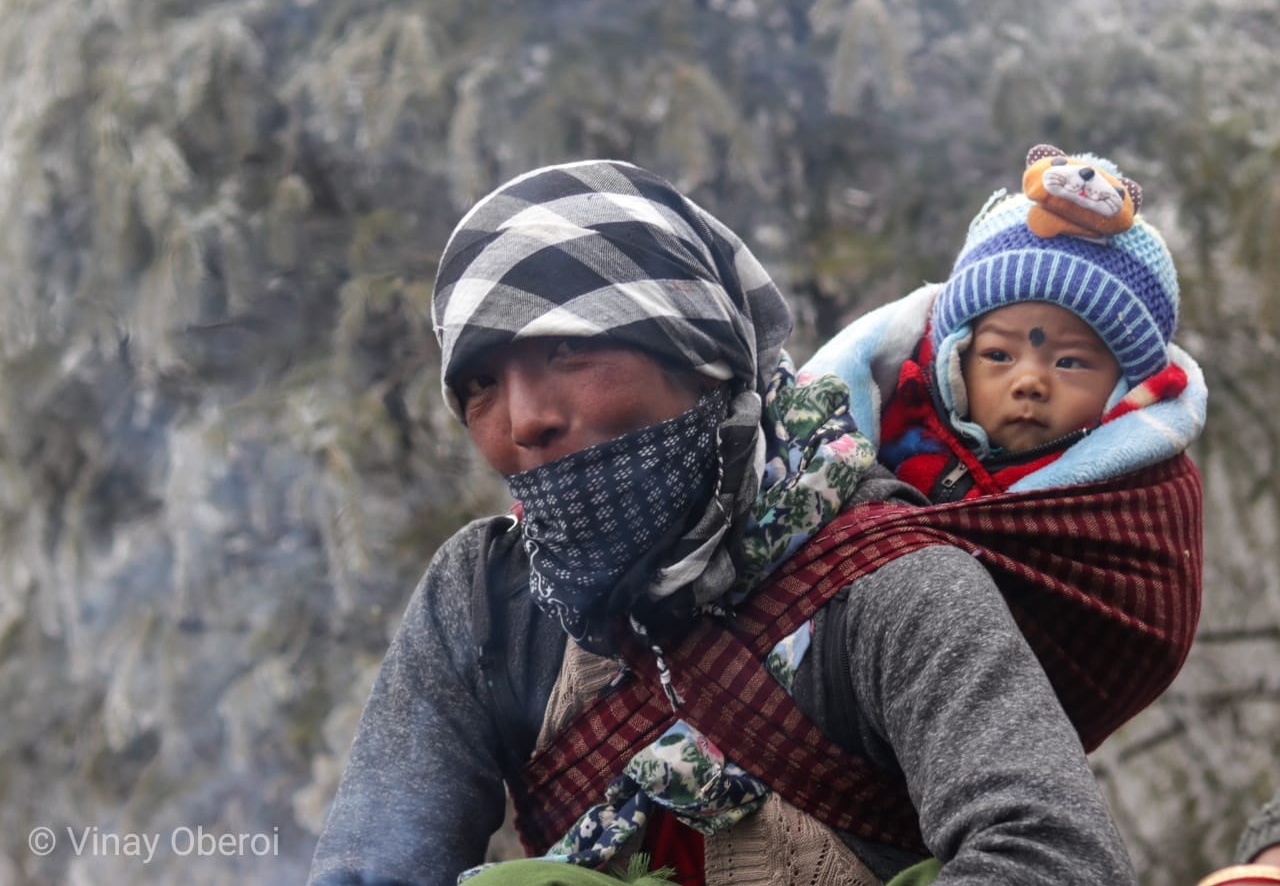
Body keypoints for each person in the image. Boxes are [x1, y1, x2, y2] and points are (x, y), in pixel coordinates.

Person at [306, 159, 1153, 886]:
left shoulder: (889, 584)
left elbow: (1055, 857)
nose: (524, 419)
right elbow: (372, 867)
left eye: (567, 348)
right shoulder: (486, 601)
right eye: (480, 384)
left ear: (698, 347)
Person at [804, 143, 1207, 505]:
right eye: (998, 355)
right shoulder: (894, 425)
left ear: (1127, 386)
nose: (1029, 382)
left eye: (1069, 362)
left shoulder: (1139, 500)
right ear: (954, 360)